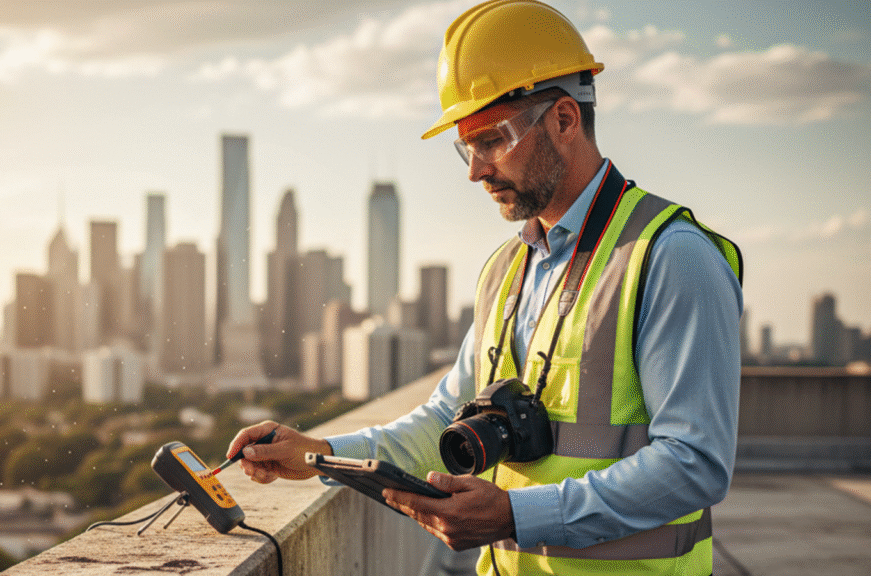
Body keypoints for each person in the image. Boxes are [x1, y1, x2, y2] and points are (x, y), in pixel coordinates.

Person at [225, 1, 743, 574]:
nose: (475, 170)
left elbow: (695, 463)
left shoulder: (671, 258)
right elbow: (443, 418)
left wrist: (518, 515)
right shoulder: (507, 268)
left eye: (491, 140)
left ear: (565, 120)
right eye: (465, 147)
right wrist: (321, 455)